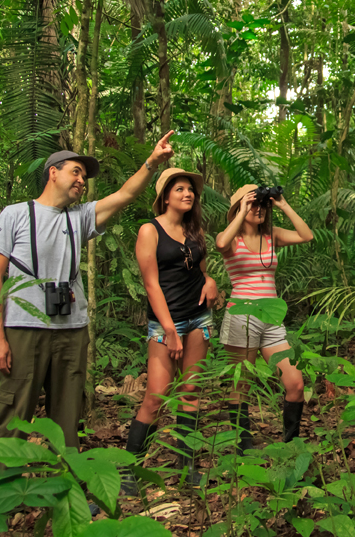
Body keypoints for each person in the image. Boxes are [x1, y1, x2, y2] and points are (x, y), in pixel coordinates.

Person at [0, 132, 175, 449]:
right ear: (53, 172)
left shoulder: (81, 216)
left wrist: (151, 163)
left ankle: (67, 490)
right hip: (23, 328)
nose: (82, 181)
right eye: (76, 172)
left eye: (84, 177)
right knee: (13, 412)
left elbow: (125, 195)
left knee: (68, 416)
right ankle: (2, 489)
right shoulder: (15, 214)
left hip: (71, 330)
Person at [124, 168, 218, 482]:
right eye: (179, 189)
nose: (187, 194)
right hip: (166, 324)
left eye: (190, 190)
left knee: (190, 391)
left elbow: (202, 271)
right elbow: (151, 284)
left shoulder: (196, 231)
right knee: (156, 396)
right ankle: (129, 475)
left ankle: (187, 468)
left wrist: (211, 281)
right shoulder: (149, 231)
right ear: (165, 196)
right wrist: (169, 330)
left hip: (198, 319)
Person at [214, 185, 314, 449]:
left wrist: (282, 204)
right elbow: (220, 243)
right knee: (242, 385)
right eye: (253, 205)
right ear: (240, 208)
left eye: (262, 205)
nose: (259, 209)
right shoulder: (230, 239)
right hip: (241, 317)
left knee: (295, 382)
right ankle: (243, 447)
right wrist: (243, 207)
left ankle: (290, 445)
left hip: (271, 318)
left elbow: (307, 235)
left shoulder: (272, 235)